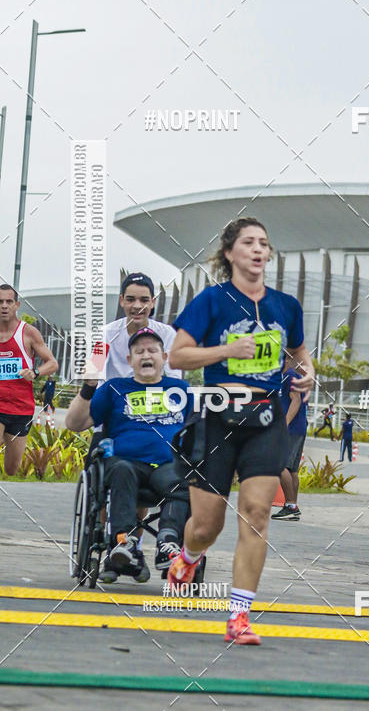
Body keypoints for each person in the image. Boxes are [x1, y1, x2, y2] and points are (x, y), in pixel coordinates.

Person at [167, 217, 314, 645]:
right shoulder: (211, 301)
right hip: (217, 415)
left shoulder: (285, 306)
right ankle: (188, 557)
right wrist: (227, 350)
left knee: (257, 513)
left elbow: (301, 356)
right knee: (206, 525)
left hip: (266, 419)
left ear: (268, 255)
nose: (257, 249)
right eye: (248, 242)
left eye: (264, 244)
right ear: (230, 253)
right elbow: (178, 357)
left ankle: (239, 616)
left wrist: (305, 376)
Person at [66, 328, 191, 583]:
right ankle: (124, 542)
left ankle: (167, 541)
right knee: (122, 470)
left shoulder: (181, 389)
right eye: (139, 351)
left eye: (152, 350)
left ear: (164, 357)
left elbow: (201, 431)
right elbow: (74, 423)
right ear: (129, 360)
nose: (146, 355)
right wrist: (89, 387)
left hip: (166, 464)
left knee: (182, 478)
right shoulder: (115, 388)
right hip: (124, 463)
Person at [0, 284, 58, 475]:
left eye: (9, 301)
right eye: (0, 302)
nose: (4, 306)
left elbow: (52, 363)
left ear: (17, 305)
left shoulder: (28, 332)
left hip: (20, 408)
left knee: (11, 469)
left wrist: (34, 372)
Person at [271, 367, 308, 522]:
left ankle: (290, 506)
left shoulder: (290, 376)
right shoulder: (290, 376)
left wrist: (284, 425)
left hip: (291, 429)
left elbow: (296, 400)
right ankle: (292, 507)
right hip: (298, 428)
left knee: (281, 466)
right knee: (292, 469)